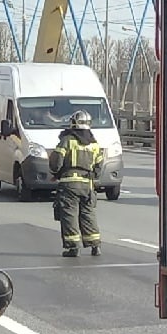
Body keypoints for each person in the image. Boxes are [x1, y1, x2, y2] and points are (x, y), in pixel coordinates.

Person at [51, 109, 105, 257]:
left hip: (69, 184)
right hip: (87, 185)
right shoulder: (94, 144)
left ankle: (73, 247)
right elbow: (99, 165)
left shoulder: (67, 140)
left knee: (69, 214)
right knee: (88, 214)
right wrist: (92, 176)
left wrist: (56, 173)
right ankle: (95, 246)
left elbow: (56, 161)